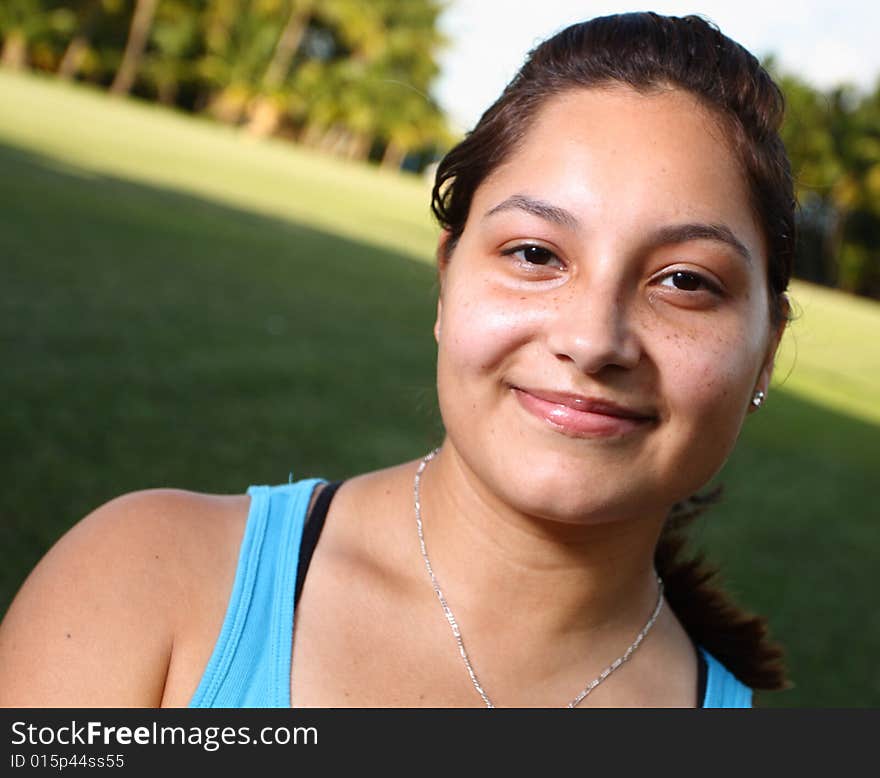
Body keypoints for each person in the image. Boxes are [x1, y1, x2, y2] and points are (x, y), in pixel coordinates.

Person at [0, 12, 793, 708]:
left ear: (766, 353)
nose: (592, 340)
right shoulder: (143, 585)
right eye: (534, 253)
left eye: (685, 281)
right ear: (448, 281)